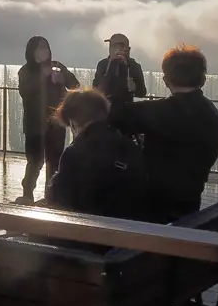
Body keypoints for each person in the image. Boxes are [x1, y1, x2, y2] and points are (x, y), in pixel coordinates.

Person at [112, 44, 218, 223]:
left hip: (151, 209)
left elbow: (114, 113)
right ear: (203, 80)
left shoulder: (158, 112)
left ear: (166, 81)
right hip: (190, 203)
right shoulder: (214, 116)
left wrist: (117, 71)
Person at [45, 89, 147, 221]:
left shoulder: (74, 152)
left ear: (73, 121)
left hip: (88, 232)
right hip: (128, 228)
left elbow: (59, 200)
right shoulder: (129, 146)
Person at [16, 35, 81, 204]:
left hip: (56, 123)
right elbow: (25, 92)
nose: (45, 51)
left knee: (54, 162)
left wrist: (63, 79)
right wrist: (43, 76)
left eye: (46, 47)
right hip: (34, 124)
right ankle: (27, 194)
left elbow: (76, 86)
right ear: (32, 52)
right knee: (35, 162)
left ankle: (50, 197)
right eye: (40, 48)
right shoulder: (25, 71)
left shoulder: (57, 67)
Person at [93, 33, 148, 113]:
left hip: (126, 112)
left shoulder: (133, 66)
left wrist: (133, 86)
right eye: (111, 46)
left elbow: (142, 92)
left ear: (127, 50)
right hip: (106, 111)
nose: (112, 49)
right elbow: (96, 90)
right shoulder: (103, 64)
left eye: (116, 46)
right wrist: (110, 67)